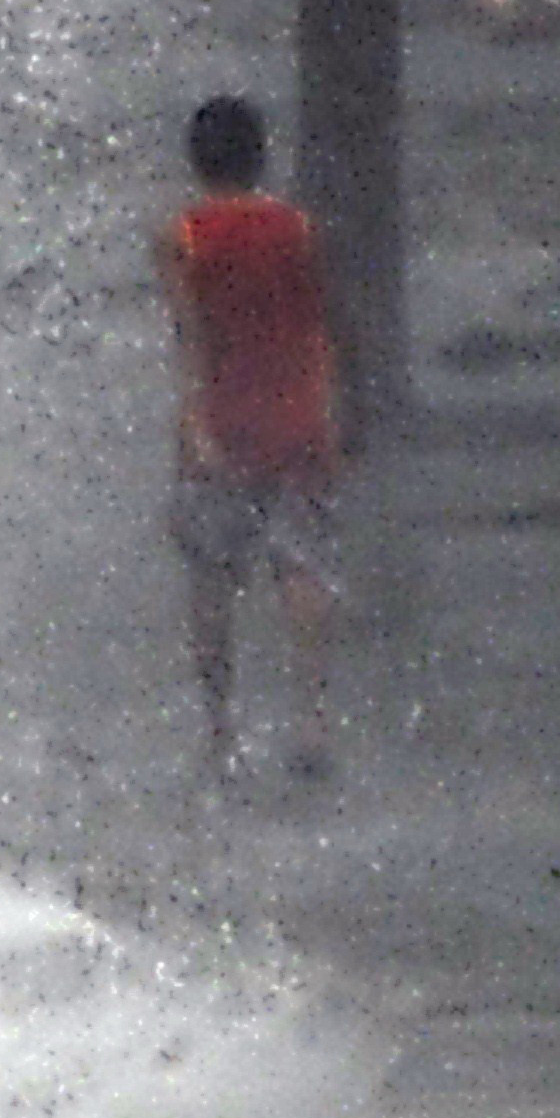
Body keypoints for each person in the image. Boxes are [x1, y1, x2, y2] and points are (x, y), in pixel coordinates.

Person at [159, 94, 341, 780]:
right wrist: (330, 408)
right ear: (261, 153)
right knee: (303, 565)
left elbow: (190, 335)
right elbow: (318, 322)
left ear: (195, 157)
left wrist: (193, 421)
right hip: (295, 413)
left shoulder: (183, 234)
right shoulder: (299, 227)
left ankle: (219, 731)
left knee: (212, 577)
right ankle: (313, 718)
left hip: (223, 416)